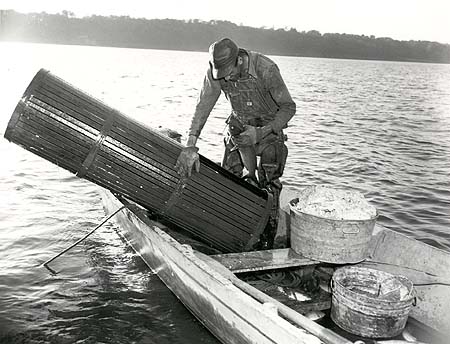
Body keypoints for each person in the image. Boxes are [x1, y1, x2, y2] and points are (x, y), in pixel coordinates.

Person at [175, 37, 296, 249]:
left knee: (269, 185)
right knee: (228, 178)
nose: (226, 78)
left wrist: (261, 133)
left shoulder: (265, 69)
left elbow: (288, 108)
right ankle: (230, 230)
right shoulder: (216, 71)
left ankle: (266, 240)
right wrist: (191, 144)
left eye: (229, 72)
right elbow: (203, 106)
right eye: (221, 75)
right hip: (238, 128)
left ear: (239, 60)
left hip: (268, 130)